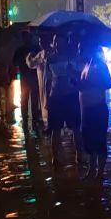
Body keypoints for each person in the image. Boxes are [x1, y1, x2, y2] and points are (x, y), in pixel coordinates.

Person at [43, 33, 82, 166]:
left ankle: (80, 156)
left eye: (61, 42)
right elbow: (47, 81)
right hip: (56, 98)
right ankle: (56, 158)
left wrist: (73, 72)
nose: (58, 45)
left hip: (71, 97)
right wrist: (46, 100)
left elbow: (80, 76)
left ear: (66, 43)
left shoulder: (73, 58)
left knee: (76, 128)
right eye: (56, 42)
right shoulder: (50, 59)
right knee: (55, 129)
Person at [79, 42, 111, 180]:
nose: (80, 51)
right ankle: (92, 169)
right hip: (86, 109)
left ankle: (99, 172)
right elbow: (83, 86)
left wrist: (90, 83)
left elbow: (109, 84)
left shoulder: (101, 66)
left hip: (98, 108)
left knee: (99, 141)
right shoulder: (86, 65)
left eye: (82, 49)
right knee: (88, 140)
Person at [14, 34, 43, 136]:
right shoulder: (34, 49)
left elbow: (15, 63)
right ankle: (33, 119)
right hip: (30, 77)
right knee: (30, 98)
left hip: (26, 77)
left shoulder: (20, 50)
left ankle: (27, 119)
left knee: (26, 99)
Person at [26, 34, 52, 126]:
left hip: (52, 83)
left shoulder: (53, 52)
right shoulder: (40, 54)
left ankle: (52, 123)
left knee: (51, 101)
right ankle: (47, 123)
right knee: (44, 100)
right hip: (42, 82)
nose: (41, 43)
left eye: (43, 41)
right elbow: (31, 64)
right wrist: (29, 56)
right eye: (40, 42)